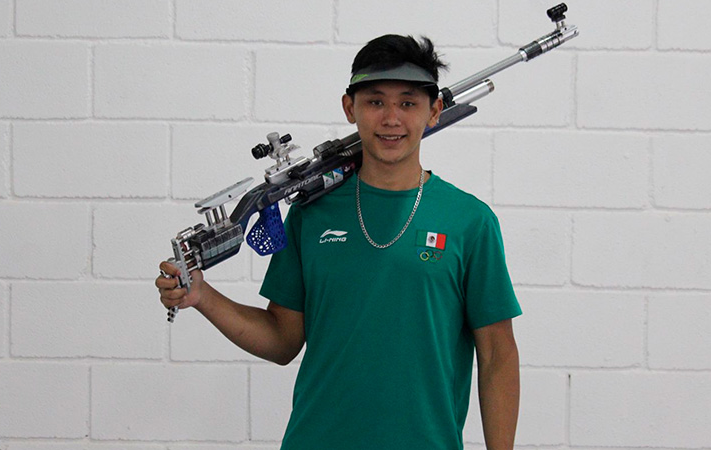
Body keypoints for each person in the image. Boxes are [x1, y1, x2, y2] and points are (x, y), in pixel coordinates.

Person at [157, 34, 521, 450]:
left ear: (434, 111)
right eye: (375, 101)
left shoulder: (470, 221)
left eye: (408, 103)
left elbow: (497, 356)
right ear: (350, 108)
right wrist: (202, 296)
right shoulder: (311, 215)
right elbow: (282, 340)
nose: (391, 118)